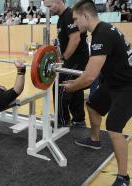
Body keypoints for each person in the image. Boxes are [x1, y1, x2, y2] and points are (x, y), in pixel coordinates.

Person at [62, 0, 132, 185]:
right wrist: (78, 80)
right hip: (114, 82)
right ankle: (95, 140)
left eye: (76, 19)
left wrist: (73, 86)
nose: (75, 24)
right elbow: (91, 71)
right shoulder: (104, 30)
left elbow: (89, 77)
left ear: (86, 16)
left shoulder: (101, 34)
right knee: (93, 106)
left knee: (114, 128)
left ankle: (123, 177)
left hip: (128, 86)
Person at [44, 0, 89, 127]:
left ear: (58, 1)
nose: (48, 10)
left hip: (76, 59)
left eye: (50, 6)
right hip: (74, 59)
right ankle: (79, 120)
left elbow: (75, 39)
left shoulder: (69, 15)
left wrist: (63, 58)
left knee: (60, 87)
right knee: (75, 88)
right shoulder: (61, 18)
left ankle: (62, 122)